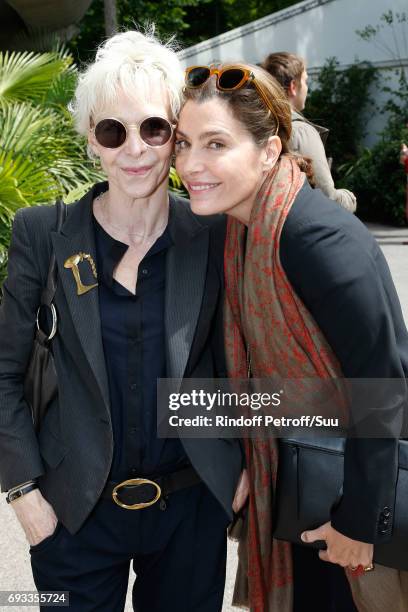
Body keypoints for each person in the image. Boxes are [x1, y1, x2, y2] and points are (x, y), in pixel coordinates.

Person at [0, 32, 244, 612]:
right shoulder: (43, 233)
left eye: (154, 129)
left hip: (189, 513)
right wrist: (23, 495)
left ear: (175, 137)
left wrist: (246, 465)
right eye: (113, 130)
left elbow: (247, 359)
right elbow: (4, 372)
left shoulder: (213, 235)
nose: (134, 149)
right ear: (93, 139)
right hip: (71, 519)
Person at [175, 62, 408, 611]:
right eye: (184, 143)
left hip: (349, 505)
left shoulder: (316, 239)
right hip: (302, 485)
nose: (190, 165)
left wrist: (360, 523)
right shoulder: (241, 232)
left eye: (215, 144)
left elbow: (384, 387)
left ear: (270, 149)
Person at [262, 51, 357, 213]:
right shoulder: (300, 130)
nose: (307, 88)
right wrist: (349, 198)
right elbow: (327, 201)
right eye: (305, 81)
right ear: (293, 86)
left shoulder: (256, 124)